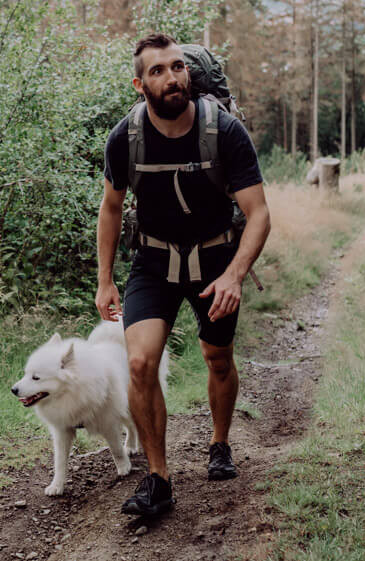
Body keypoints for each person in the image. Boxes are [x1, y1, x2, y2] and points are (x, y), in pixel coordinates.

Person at [95, 33, 270, 516]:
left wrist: (235, 275)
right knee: (139, 364)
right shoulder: (125, 139)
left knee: (217, 358)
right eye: (158, 71)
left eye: (177, 67)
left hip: (216, 261)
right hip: (153, 262)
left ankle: (219, 445)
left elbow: (259, 214)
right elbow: (110, 210)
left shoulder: (224, 132)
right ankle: (159, 479)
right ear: (139, 83)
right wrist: (105, 279)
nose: (171, 77)